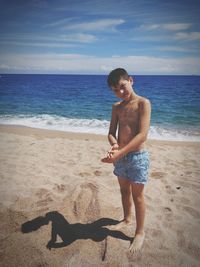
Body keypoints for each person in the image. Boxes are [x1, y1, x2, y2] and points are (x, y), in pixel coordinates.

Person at [101, 68, 151, 253]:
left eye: (122, 86)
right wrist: (114, 146)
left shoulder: (143, 103)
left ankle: (139, 232)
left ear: (130, 80)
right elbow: (111, 133)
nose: (120, 92)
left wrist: (120, 152)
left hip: (137, 157)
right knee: (123, 191)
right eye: (115, 90)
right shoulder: (116, 107)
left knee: (138, 196)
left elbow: (142, 135)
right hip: (119, 156)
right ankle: (127, 219)